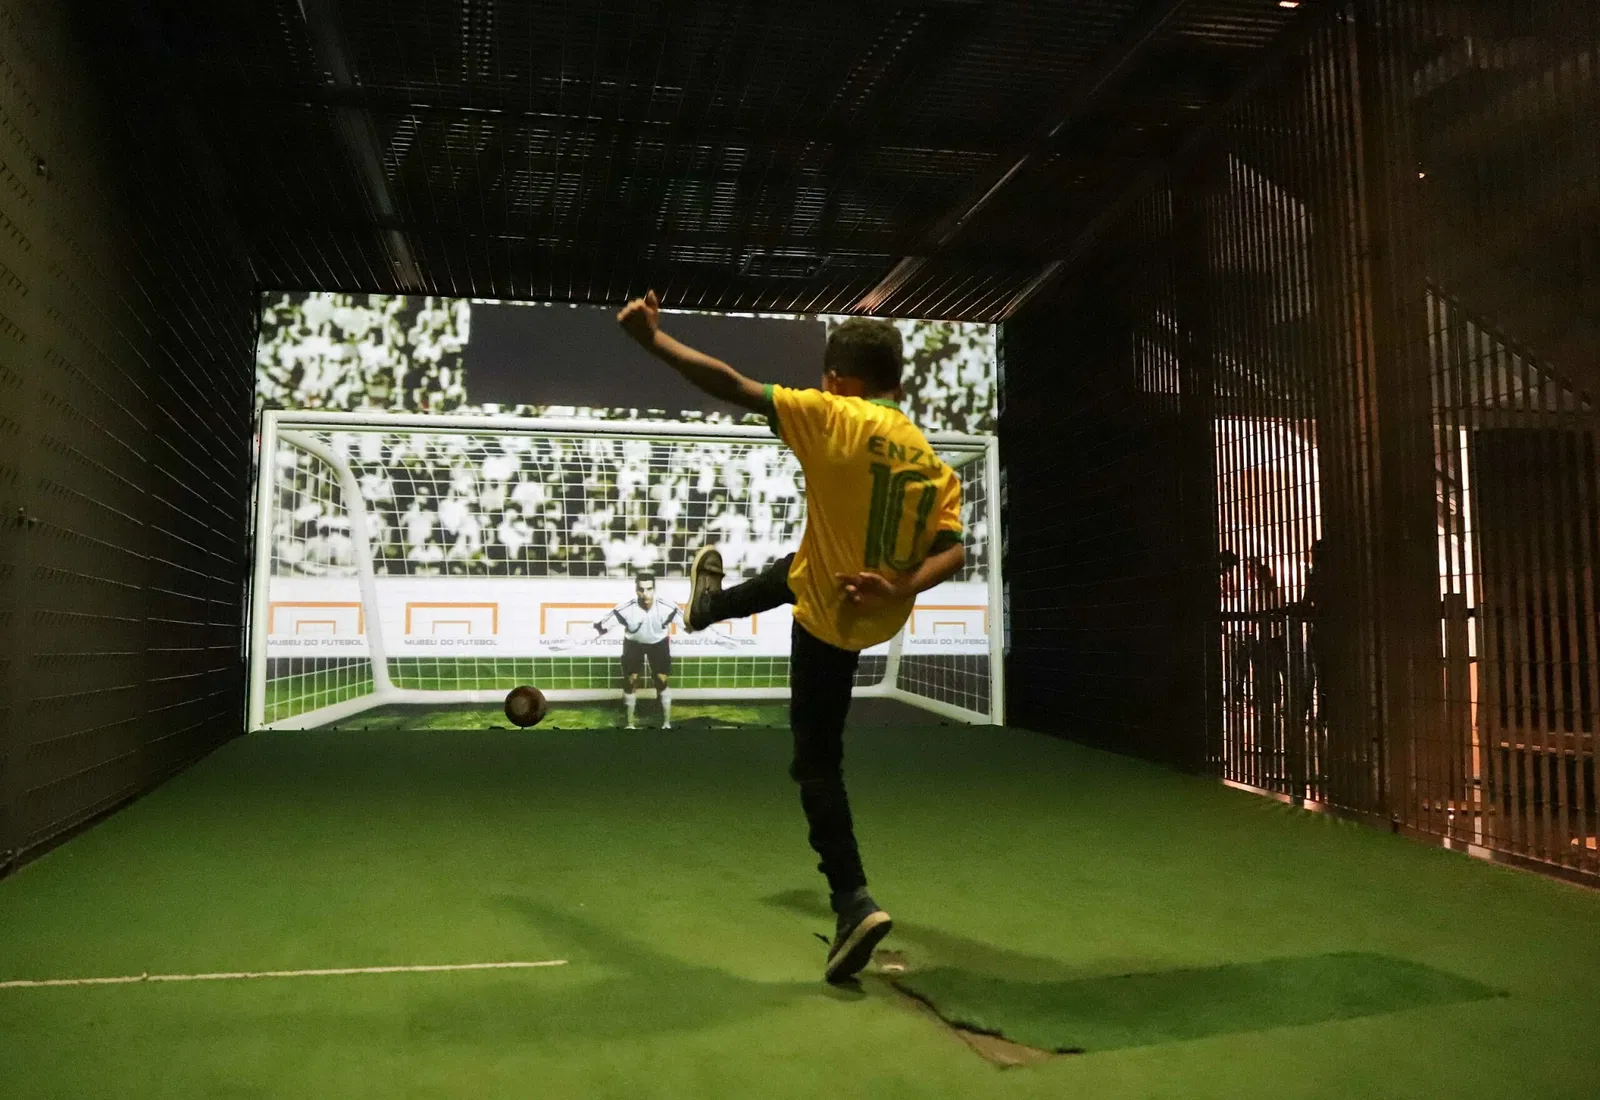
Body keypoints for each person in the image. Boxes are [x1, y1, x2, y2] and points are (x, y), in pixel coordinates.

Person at [616, 290, 967, 983]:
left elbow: (732, 384)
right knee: (805, 561)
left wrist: (652, 341)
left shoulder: (831, 415)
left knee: (814, 762)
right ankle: (710, 607)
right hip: (877, 603)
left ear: (839, 381)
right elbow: (955, 552)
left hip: (832, 620)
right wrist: (899, 586)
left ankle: (851, 899)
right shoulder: (929, 458)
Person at [593, 573, 680, 730]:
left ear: (654, 589)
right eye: (641, 589)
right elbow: (600, 627)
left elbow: (690, 625)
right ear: (636, 590)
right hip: (634, 644)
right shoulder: (625, 609)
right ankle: (629, 724)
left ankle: (666, 723)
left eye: (649, 589)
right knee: (631, 680)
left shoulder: (667, 607)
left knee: (661, 680)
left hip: (658, 643)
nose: (645, 593)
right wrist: (577, 640)